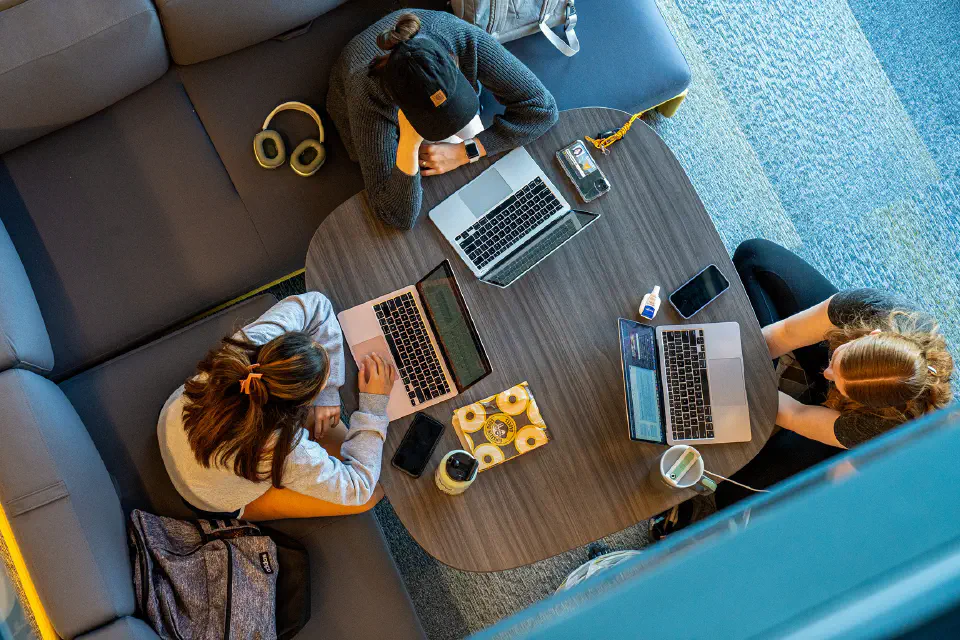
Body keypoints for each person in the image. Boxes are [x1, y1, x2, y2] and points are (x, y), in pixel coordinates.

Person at [715, 239, 954, 507]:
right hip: (846, 340)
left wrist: (735, 384)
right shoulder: (872, 308)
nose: (826, 374)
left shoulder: (882, 426)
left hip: (844, 433)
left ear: (865, 406)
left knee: (730, 495)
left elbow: (795, 414)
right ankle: (774, 374)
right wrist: (731, 361)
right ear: (872, 335)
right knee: (754, 255)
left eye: (838, 384)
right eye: (836, 364)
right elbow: (784, 334)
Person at [158, 293, 398, 520]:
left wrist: (328, 395)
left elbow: (318, 303)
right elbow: (359, 488)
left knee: (328, 436)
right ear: (300, 406)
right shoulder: (285, 452)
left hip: (168, 425)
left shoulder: (249, 346)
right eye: (320, 388)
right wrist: (373, 406)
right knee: (375, 493)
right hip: (202, 497)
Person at [327, 10, 559, 230]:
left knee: (480, 159)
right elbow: (394, 214)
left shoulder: (454, 33)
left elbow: (543, 109)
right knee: (423, 195)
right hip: (362, 112)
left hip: (416, 78)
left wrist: (465, 152)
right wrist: (408, 141)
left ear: (452, 61)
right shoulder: (366, 95)